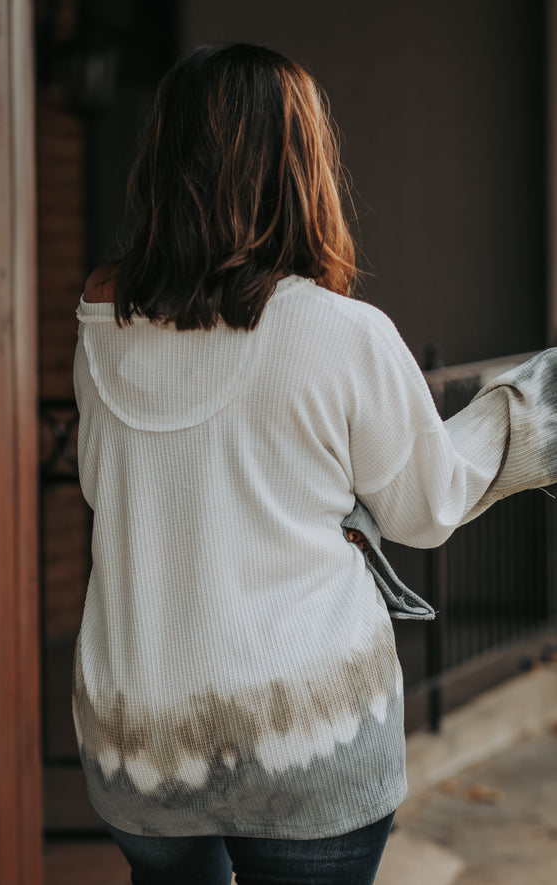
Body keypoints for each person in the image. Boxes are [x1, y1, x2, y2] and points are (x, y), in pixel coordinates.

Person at [73, 43, 557, 885]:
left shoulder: (102, 319)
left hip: (136, 745)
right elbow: (426, 502)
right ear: (300, 167)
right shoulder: (340, 332)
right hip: (309, 737)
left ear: (163, 167)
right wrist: (528, 407)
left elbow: (106, 485)